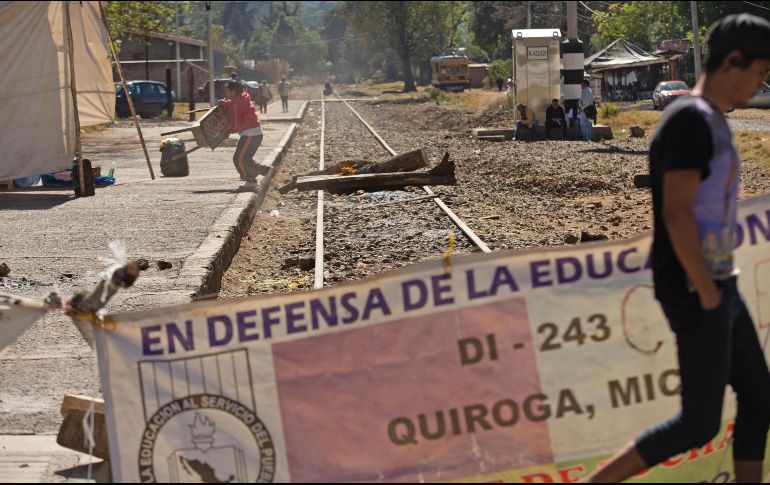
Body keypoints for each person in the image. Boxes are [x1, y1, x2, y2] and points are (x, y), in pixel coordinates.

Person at [586, 13, 770, 483]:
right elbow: (676, 213)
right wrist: (708, 294)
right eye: (760, 72)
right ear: (734, 60)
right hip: (695, 288)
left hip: (716, 284)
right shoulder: (688, 120)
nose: (760, 84)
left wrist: (717, 289)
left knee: (758, 395)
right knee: (699, 423)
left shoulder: (712, 120)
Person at [218, 80, 270, 189]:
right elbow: (232, 103)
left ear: (233, 91)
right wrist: (226, 103)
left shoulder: (237, 104)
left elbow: (236, 124)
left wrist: (227, 132)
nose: (225, 94)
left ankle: (251, 182)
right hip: (253, 134)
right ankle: (267, 171)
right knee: (246, 159)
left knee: (239, 159)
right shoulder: (242, 97)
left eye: (227, 91)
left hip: (250, 135)